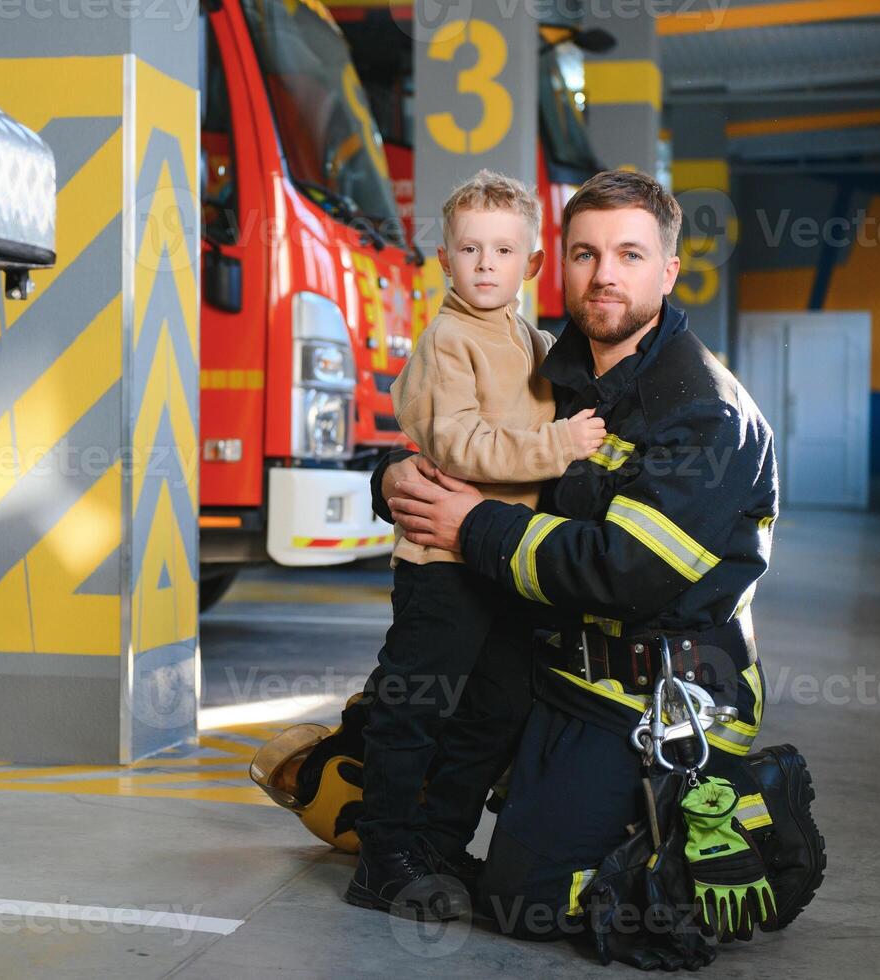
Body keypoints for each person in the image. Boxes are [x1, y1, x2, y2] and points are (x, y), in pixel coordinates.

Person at [371, 170, 825, 966]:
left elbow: (624, 570)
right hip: (553, 664)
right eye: (586, 254)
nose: (604, 274)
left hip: (658, 696)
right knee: (404, 713)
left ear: (667, 272)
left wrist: (470, 522)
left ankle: (738, 813)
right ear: (560, 266)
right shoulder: (553, 361)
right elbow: (471, 439)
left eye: (628, 254)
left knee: (528, 900)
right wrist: (388, 479)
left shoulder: (703, 412)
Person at [345, 171, 607, 922]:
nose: (485, 263)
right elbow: (459, 444)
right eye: (469, 248)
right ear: (444, 259)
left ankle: (436, 840)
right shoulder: (447, 339)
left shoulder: (532, 340)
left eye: (502, 250)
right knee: (413, 709)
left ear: (529, 266)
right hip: (442, 567)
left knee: (497, 708)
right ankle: (382, 858)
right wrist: (560, 443)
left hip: (505, 565)